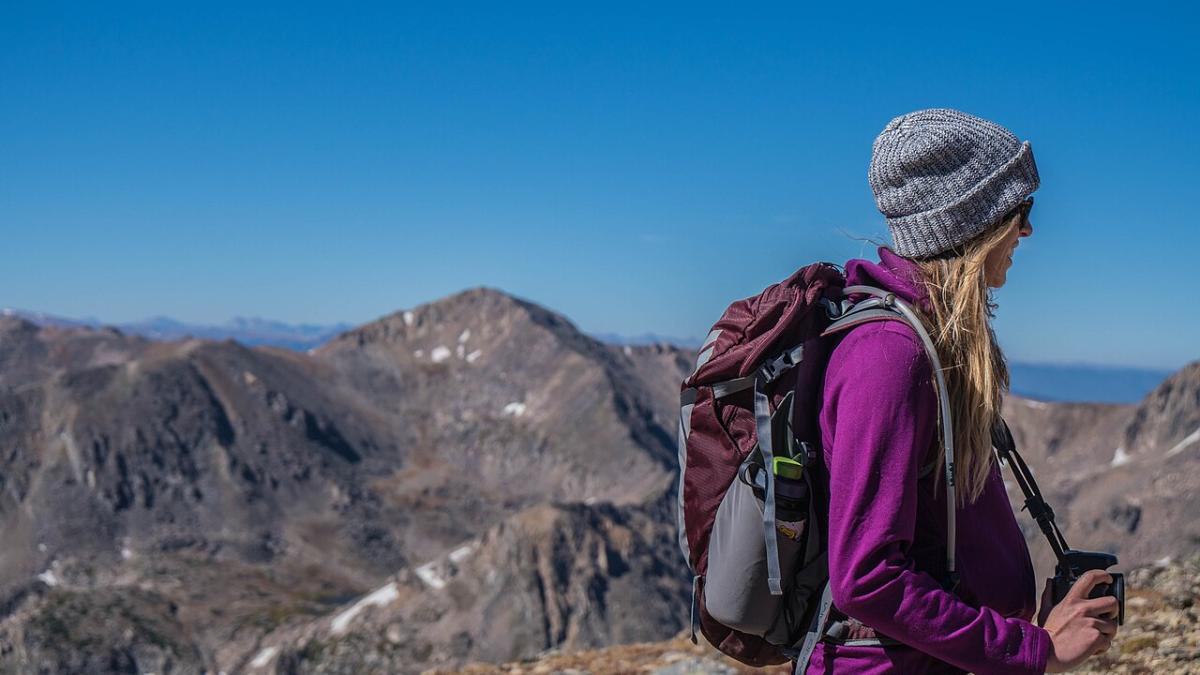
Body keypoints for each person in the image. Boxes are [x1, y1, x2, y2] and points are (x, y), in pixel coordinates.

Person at [807, 108, 1120, 674]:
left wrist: (1019, 626)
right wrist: (1033, 650)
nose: (1027, 231)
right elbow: (867, 578)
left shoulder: (930, 344)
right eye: (1019, 212)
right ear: (974, 224)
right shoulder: (890, 356)